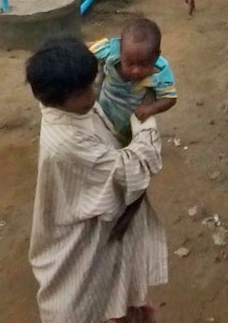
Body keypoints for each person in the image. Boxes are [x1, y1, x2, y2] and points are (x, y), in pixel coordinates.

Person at [25, 38, 167, 323]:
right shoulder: (67, 141)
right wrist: (146, 120)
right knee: (76, 297)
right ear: (58, 96)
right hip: (80, 234)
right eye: (86, 89)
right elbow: (130, 170)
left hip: (101, 227)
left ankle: (128, 312)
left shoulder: (64, 107)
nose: (93, 94)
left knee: (112, 283)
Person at [89, 18, 177, 143]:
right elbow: (90, 47)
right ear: (120, 51)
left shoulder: (159, 72)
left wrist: (151, 108)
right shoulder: (111, 54)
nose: (136, 70)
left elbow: (170, 98)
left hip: (128, 124)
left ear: (156, 56)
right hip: (102, 111)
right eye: (130, 63)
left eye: (143, 65)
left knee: (124, 145)